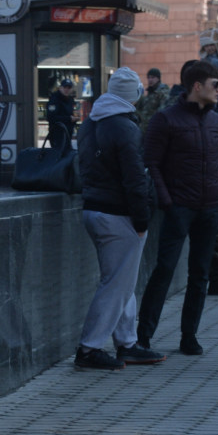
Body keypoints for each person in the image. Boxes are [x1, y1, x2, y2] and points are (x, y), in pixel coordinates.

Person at [136, 59, 218, 356]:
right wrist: (167, 202)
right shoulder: (165, 119)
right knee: (165, 270)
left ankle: (189, 336)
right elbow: (150, 163)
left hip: (210, 210)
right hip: (178, 208)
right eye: (215, 84)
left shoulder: (216, 122)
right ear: (197, 86)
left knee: (200, 274)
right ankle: (143, 337)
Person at [73, 68, 165, 371]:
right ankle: (89, 348)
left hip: (94, 209)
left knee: (120, 281)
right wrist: (142, 220)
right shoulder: (126, 128)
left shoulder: (91, 123)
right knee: (116, 284)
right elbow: (135, 180)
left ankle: (127, 343)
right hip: (118, 214)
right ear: (134, 96)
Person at [45, 78, 77, 150]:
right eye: (65, 87)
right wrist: (69, 118)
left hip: (68, 134)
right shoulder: (54, 100)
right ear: (60, 88)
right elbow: (51, 117)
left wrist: (74, 119)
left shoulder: (70, 100)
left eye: (69, 88)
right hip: (57, 134)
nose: (66, 89)